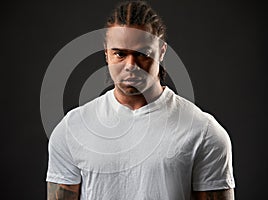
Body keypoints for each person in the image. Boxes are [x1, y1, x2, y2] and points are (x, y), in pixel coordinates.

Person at [46, 1, 235, 199]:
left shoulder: (204, 132)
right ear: (106, 53)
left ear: (161, 51)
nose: (131, 65)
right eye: (120, 53)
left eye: (142, 54)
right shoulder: (72, 129)